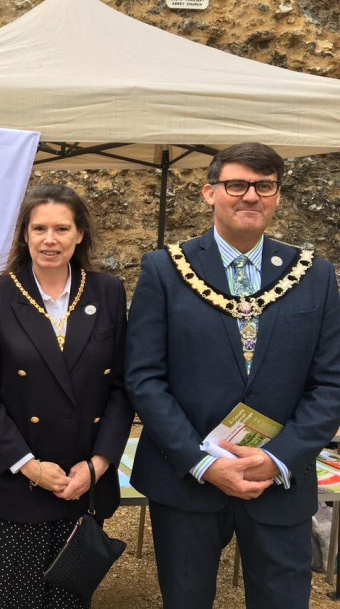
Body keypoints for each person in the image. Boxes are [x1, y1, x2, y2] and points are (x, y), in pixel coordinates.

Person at [125, 142, 340, 609]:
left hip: (278, 482)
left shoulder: (315, 275)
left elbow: (331, 383)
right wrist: (203, 462)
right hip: (187, 479)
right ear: (210, 193)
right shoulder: (165, 269)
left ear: (278, 195)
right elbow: (143, 377)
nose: (250, 196)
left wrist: (279, 457)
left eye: (264, 186)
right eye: (237, 184)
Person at [0, 184, 132, 609]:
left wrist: (97, 466)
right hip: (18, 482)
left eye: (62, 228)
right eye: (39, 228)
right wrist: (28, 466)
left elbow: (122, 388)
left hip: (82, 484)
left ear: (80, 235)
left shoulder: (108, 292)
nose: (50, 239)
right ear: (24, 235)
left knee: (67, 602)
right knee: (8, 601)